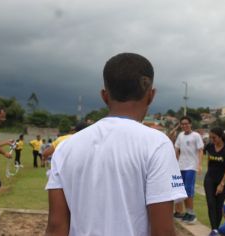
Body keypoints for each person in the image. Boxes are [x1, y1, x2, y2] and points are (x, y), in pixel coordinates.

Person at [45, 52, 187, 236]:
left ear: (104, 96)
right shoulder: (157, 144)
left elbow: (56, 228)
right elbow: (163, 231)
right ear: (151, 95)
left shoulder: (66, 148)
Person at [204, 127, 225, 236]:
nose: (212, 140)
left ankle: (215, 229)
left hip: (223, 180)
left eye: (214, 137)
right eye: (211, 137)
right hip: (210, 179)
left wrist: (222, 183)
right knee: (211, 203)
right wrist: (209, 175)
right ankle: (214, 230)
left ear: (220, 136)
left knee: (218, 204)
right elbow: (209, 161)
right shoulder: (210, 146)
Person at [173, 116, 204, 224]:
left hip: (191, 167)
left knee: (188, 189)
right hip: (180, 166)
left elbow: (200, 151)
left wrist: (199, 165)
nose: (185, 126)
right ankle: (181, 212)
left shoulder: (196, 136)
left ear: (190, 124)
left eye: (187, 124)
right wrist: (174, 163)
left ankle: (191, 214)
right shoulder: (180, 136)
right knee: (178, 188)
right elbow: (176, 149)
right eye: (183, 124)